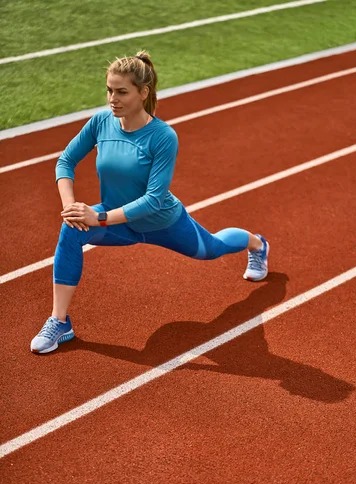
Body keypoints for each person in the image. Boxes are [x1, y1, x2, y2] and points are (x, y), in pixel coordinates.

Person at [30, 50, 269, 354]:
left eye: (121, 92)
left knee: (211, 249)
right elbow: (65, 161)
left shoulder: (162, 136)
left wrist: (99, 218)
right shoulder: (101, 122)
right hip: (119, 223)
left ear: (143, 93)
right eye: (109, 90)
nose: (112, 99)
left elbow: (154, 200)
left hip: (162, 223)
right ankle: (59, 321)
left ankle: (257, 244)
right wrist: (72, 208)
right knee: (71, 230)